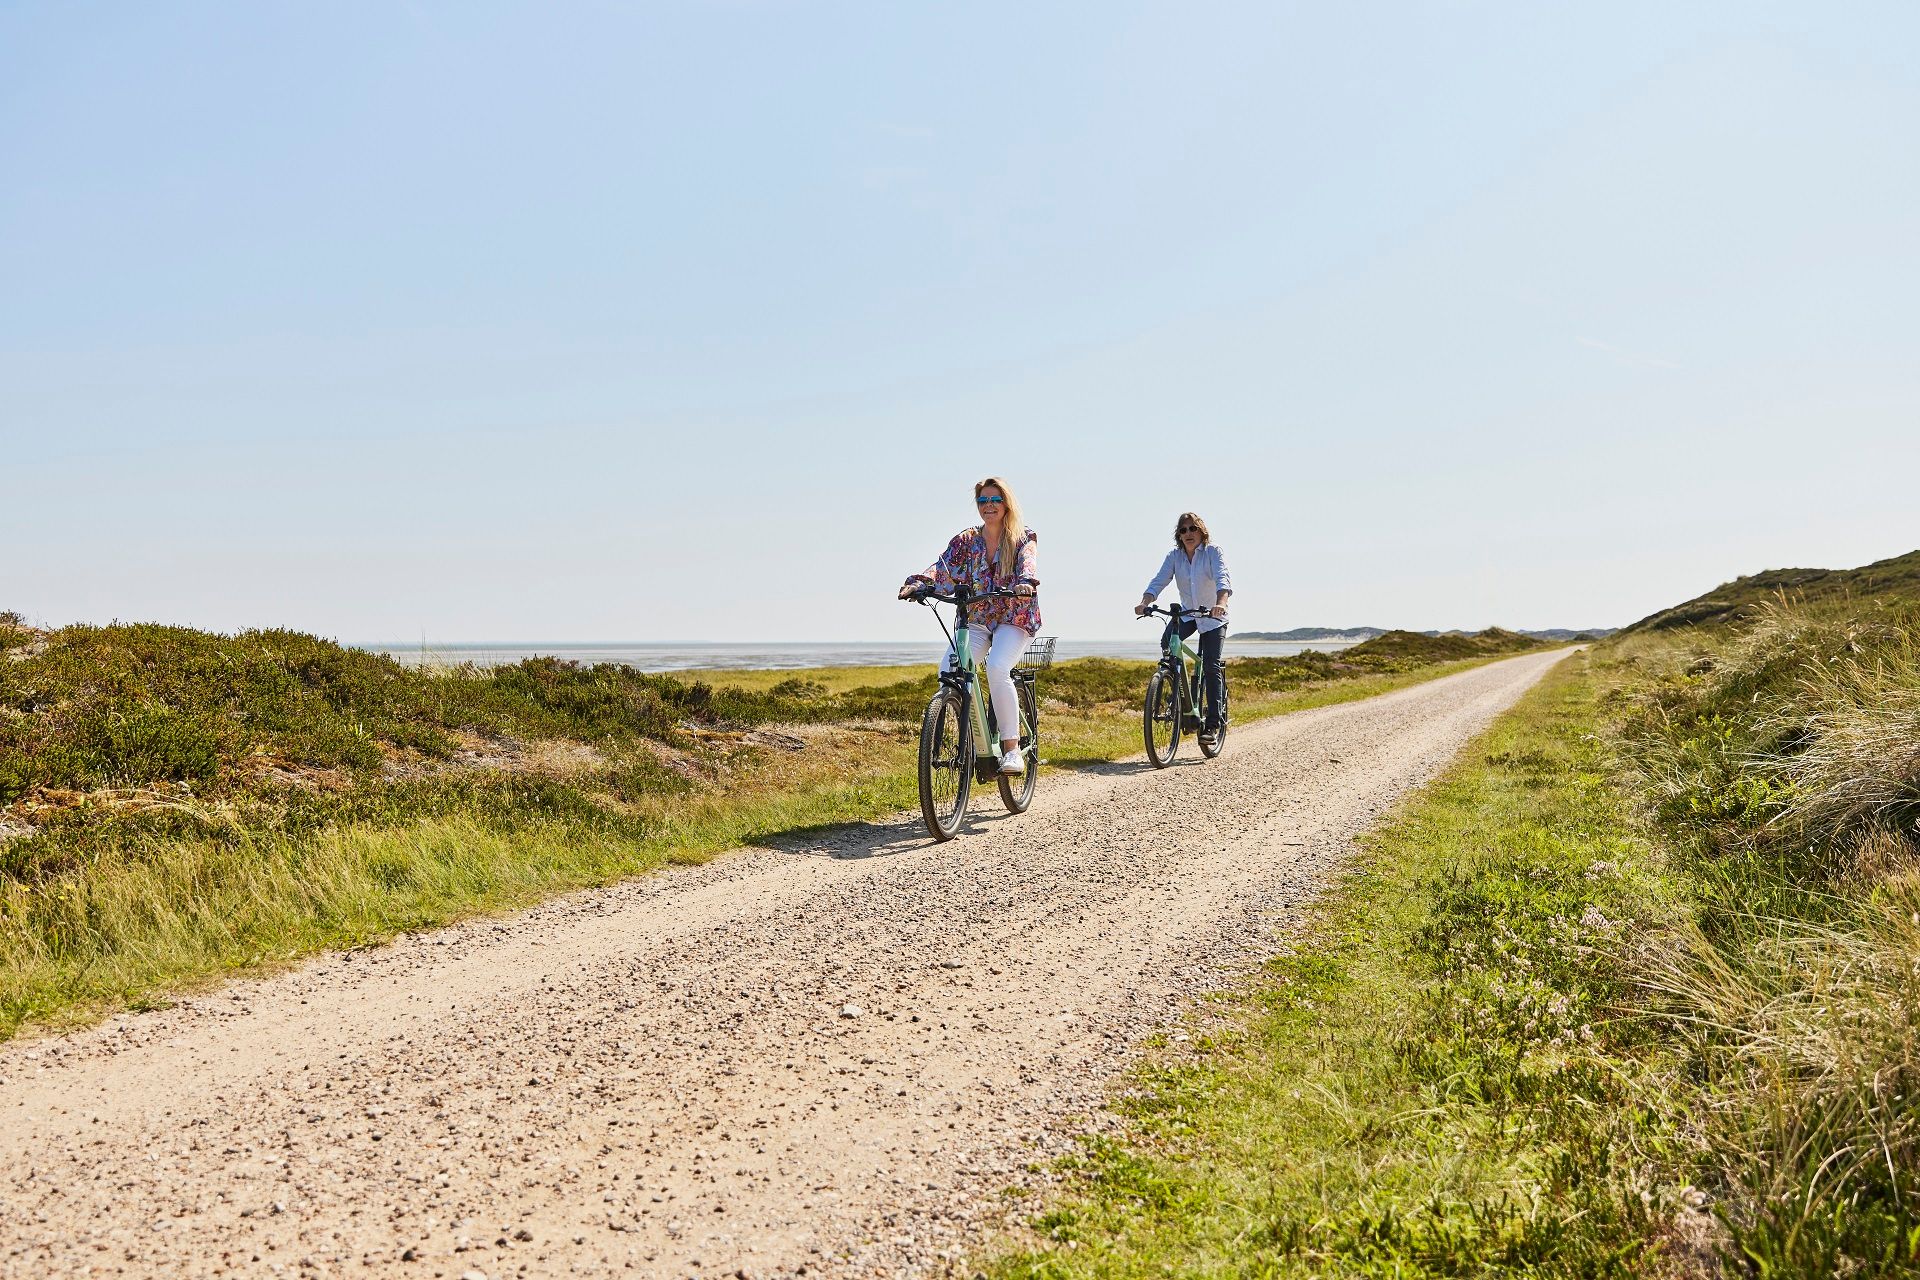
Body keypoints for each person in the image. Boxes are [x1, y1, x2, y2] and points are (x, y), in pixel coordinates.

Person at [899, 477, 1040, 773]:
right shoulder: (966, 540)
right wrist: (919, 584)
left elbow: (1028, 564)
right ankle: (970, 737)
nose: (989, 506)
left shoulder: (1023, 537)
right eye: (983, 501)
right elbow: (943, 567)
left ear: (1006, 503)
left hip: (1013, 616)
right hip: (976, 618)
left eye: (995, 500)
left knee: (998, 668)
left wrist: (1025, 583)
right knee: (949, 669)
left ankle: (1012, 750)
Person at [1136, 512, 1232, 744]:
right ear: (1179, 535)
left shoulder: (1212, 552)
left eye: (1192, 529)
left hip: (1212, 617)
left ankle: (1212, 724)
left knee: (1210, 665)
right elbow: (1159, 580)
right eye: (1183, 530)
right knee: (1168, 642)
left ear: (1201, 531)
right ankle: (1177, 693)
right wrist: (1145, 602)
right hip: (1188, 613)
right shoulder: (1175, 557)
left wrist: (1220, 604)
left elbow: (1223, 580)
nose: (1188, 533)